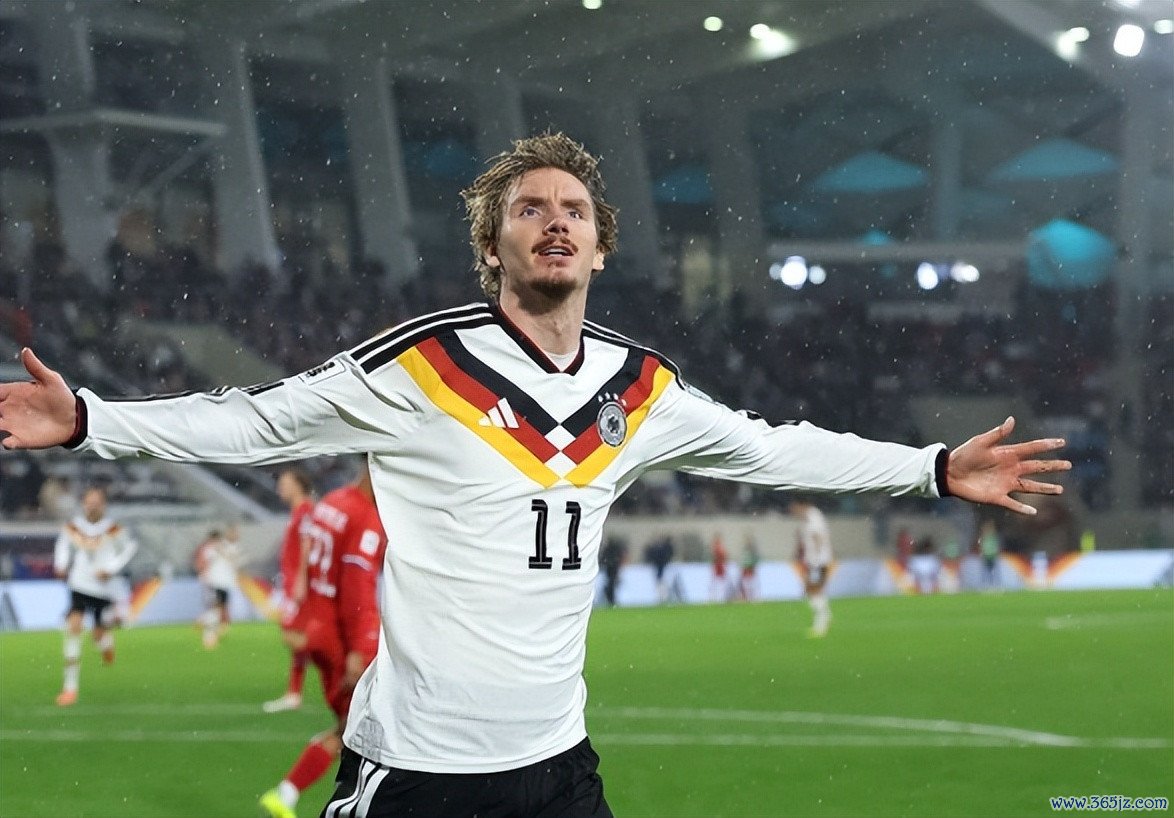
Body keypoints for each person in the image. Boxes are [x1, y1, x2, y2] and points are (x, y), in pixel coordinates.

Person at [0, 132, 1070, 818]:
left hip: (558, 766)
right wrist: (90, 418)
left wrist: (932, 466)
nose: (555, 219)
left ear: (599, 248)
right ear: (492, 247)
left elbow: (770, 445)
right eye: (529, 208)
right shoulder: (422, 365)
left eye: (574, 210)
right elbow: (257, 421)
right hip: (416, 769)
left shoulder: (640, 388)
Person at [260, 462, 387, 818]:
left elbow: (308, 563)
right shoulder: (365, 518)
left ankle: (286, 794)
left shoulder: (332, 502)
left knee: (352, 728)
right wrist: (361, 648)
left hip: (318, 626)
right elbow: (357, 588)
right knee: (372, 731)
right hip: (340, 637)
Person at [51, 484, 138, 706]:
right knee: (74, 627)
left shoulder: (113, 529)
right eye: (89, 502)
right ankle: (70, 688)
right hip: (79, 583)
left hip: (103, 588)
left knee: (98, 634)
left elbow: (129, 549)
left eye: (96, 503)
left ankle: (106, 644)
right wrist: (61, 565)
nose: (92, 506)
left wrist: (111, 569)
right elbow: (63, 546)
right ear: (83, 504)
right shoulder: (74, 526)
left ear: (103, 505)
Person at [263, 466, 316, 713]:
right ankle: (294, 693)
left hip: (298, 585)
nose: (279, 488)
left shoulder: (305, 510)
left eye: (284, 483)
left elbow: (307, 544)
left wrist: (301, 579)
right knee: (296, 637)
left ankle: (335, 666)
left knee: (295, 636)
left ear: (297, 485)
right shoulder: (298, 511)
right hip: (292, 582)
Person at [194, 523, 241, 649]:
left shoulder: (229, 546)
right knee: (216, 607)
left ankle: (210, 628)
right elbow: (204, 562)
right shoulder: (215, 547)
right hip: (216, 581)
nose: (237, 535)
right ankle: (207, 631)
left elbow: (233, 562)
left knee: (220, 607)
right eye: (234, 533)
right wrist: (204, 574)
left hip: (225, 582)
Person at [791, 498, 833, 636]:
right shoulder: (811, 517)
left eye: (795, 507)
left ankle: (821, 623)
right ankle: (824, 617)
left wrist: (816, 557)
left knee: (813, 590)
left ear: (801, 504)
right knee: (813, 590)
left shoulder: (813, 517)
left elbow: (818, 537)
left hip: (817, 561)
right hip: (816, 560)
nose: (794, 511)